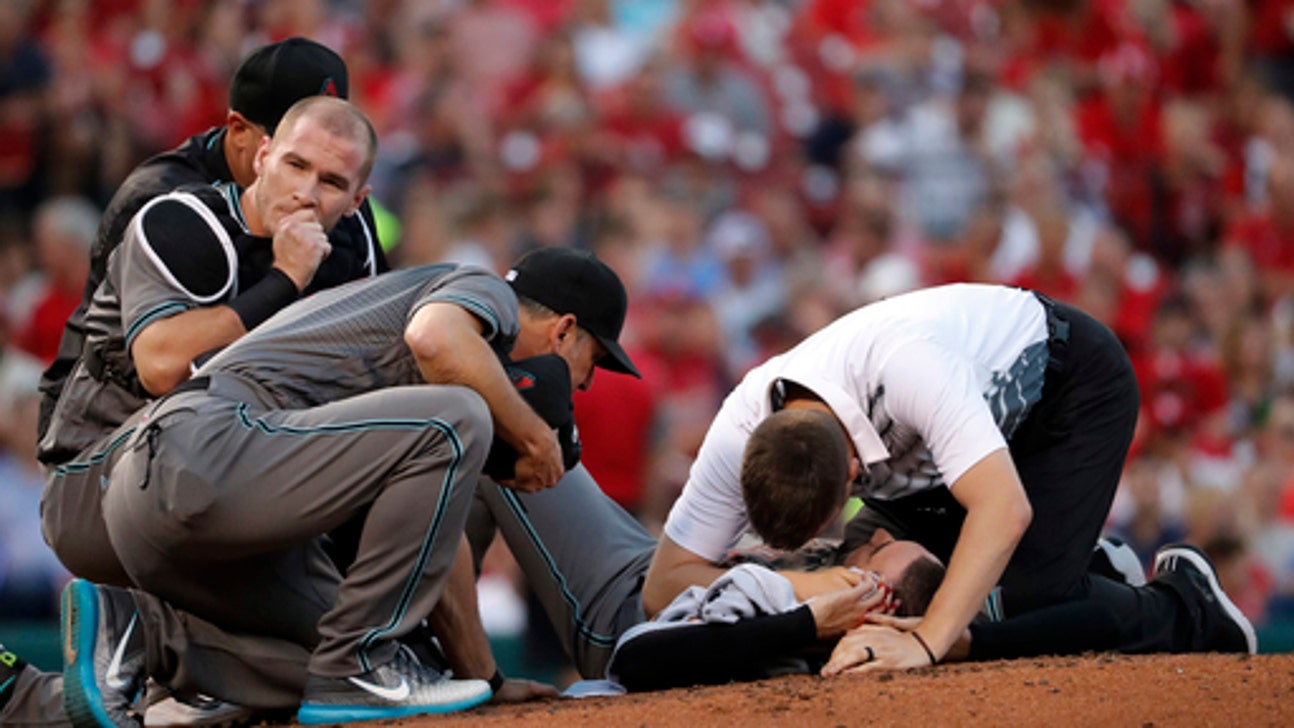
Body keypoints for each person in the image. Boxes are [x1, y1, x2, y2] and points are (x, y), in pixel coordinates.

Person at [61, 247, 638, 726]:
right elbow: (436, 338)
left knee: (392, 669)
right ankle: (356, 668)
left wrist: (484, 680)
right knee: (461, 415)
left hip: (166, 499)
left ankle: (144, 633)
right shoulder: (484, 293)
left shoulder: (394, 425)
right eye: (593, 360)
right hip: (201, 449)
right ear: (564, 331)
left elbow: (445, 546)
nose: (585, 383)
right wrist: (535, 436)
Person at [640, 283, 1257, 676]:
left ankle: (1183, 608)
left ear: (855, 472)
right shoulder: (734, 430)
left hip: (1066, 393)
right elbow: (663, 585)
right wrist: (828, 581)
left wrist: (933, 642)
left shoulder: (907, 367)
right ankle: (1092, 568)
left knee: (1006, 605)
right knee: (894, 591)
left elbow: (1004, 509)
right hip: (936, 458)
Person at [39, 94, 379, 588]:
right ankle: (138, 628)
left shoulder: (353, 252)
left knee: (441, 460)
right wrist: (286, 279)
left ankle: (451, 660)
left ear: (357, 202)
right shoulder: (183, 221)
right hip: (100, 469)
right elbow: (162, 367)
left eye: (330, 183)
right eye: (295, 165)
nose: (306, 193)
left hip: (230, 468)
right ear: (263, 157)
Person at [35, 36, 386, 455]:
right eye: (295, 155)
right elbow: (156, 363)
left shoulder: (335, 203)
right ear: (246, 135)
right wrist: (286, 277)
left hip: (243, 418)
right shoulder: (162, 199)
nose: (311, 181)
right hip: (113, 421)